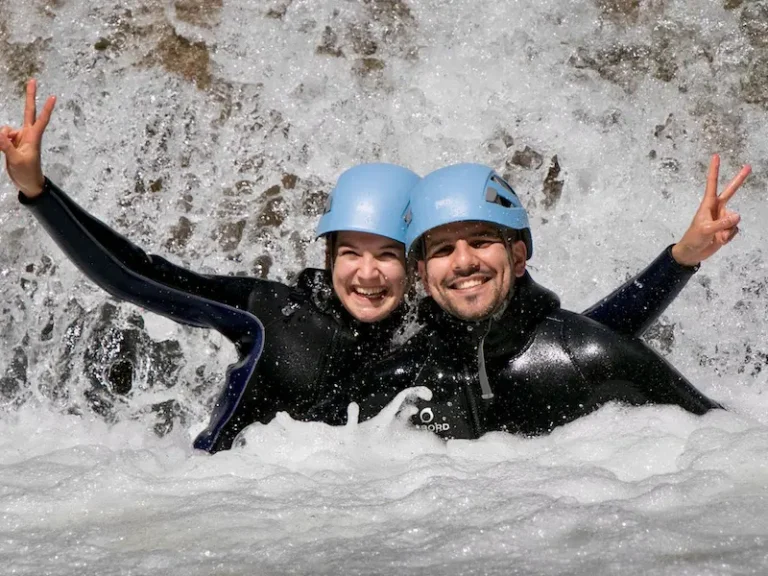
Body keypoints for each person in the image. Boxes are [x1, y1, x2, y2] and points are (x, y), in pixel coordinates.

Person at [0, 80, 745, 451]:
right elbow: (136, 276)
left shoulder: (435, 332)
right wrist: (37, 188)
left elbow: (566, 338)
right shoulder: (271, 314)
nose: (367, 274)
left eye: (388, 256)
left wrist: (678, 262)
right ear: (325, 259)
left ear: (413, 271)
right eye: (350, 255)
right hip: (226, 504)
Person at [318, 161, 751, 438]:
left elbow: (733, 450)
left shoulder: (590, 355)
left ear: (518, 256)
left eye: (482, 241)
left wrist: (680, 259)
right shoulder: (399, 379)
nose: (464, 262)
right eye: (443, 250)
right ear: (423, 276)